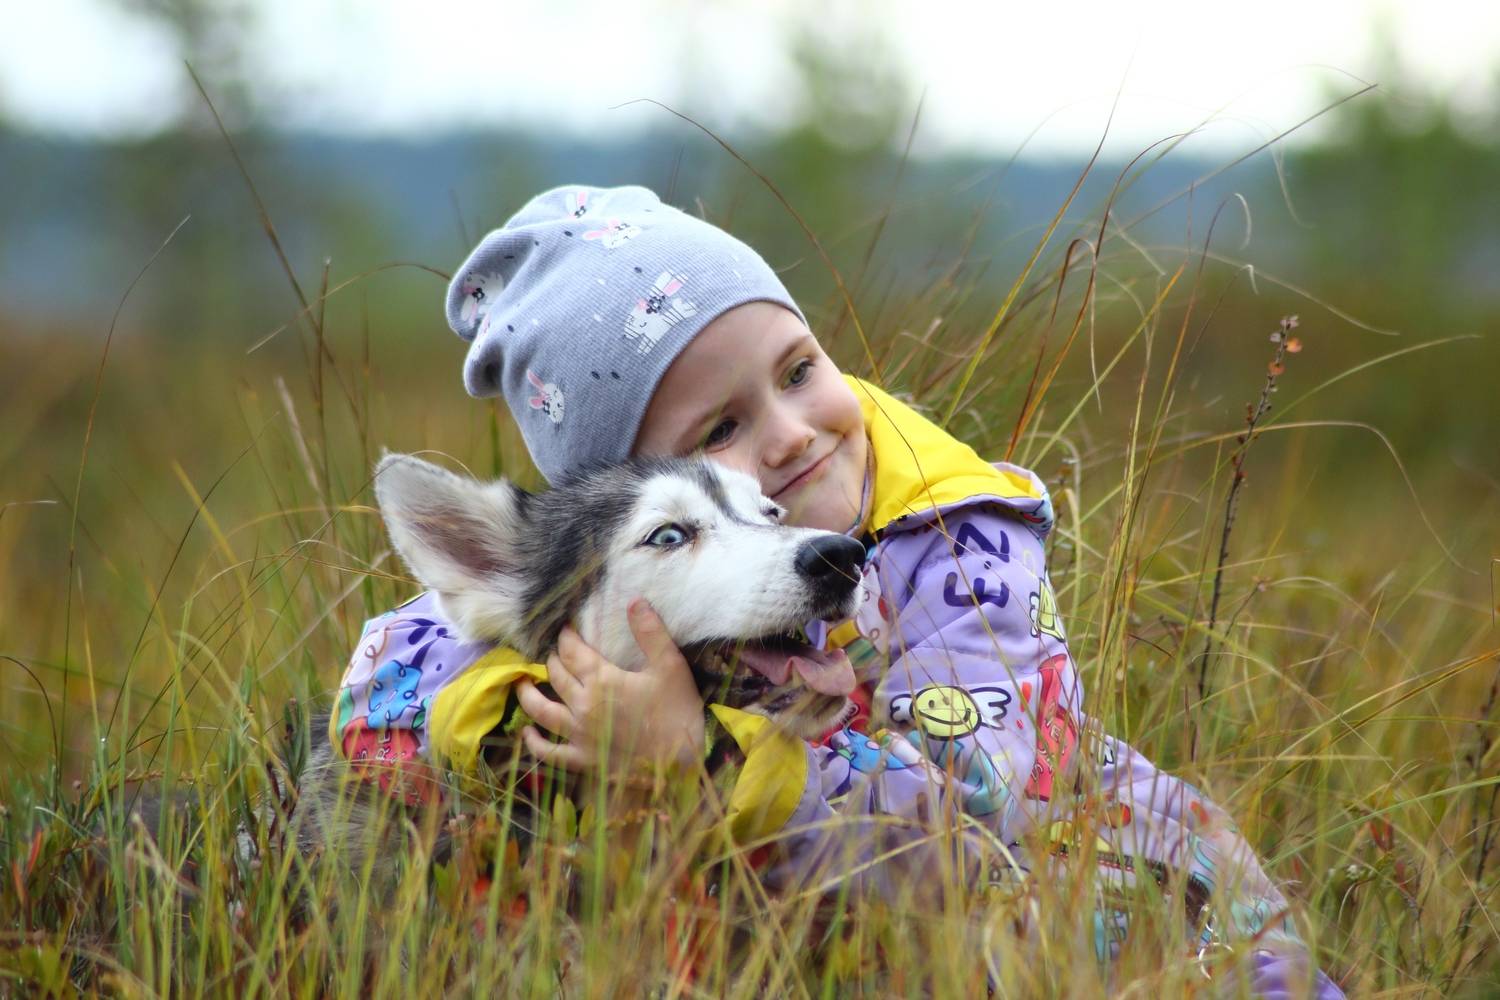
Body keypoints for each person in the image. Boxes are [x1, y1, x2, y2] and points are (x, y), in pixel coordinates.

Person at [332, 184, 1342, 997]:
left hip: (1133, 908)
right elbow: (399, 677)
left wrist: (703, 757)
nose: (790, 435)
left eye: (798, 371)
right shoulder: (549, 583)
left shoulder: (962, 555)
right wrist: (508, 711)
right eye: (718, 434)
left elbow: (964, 834)